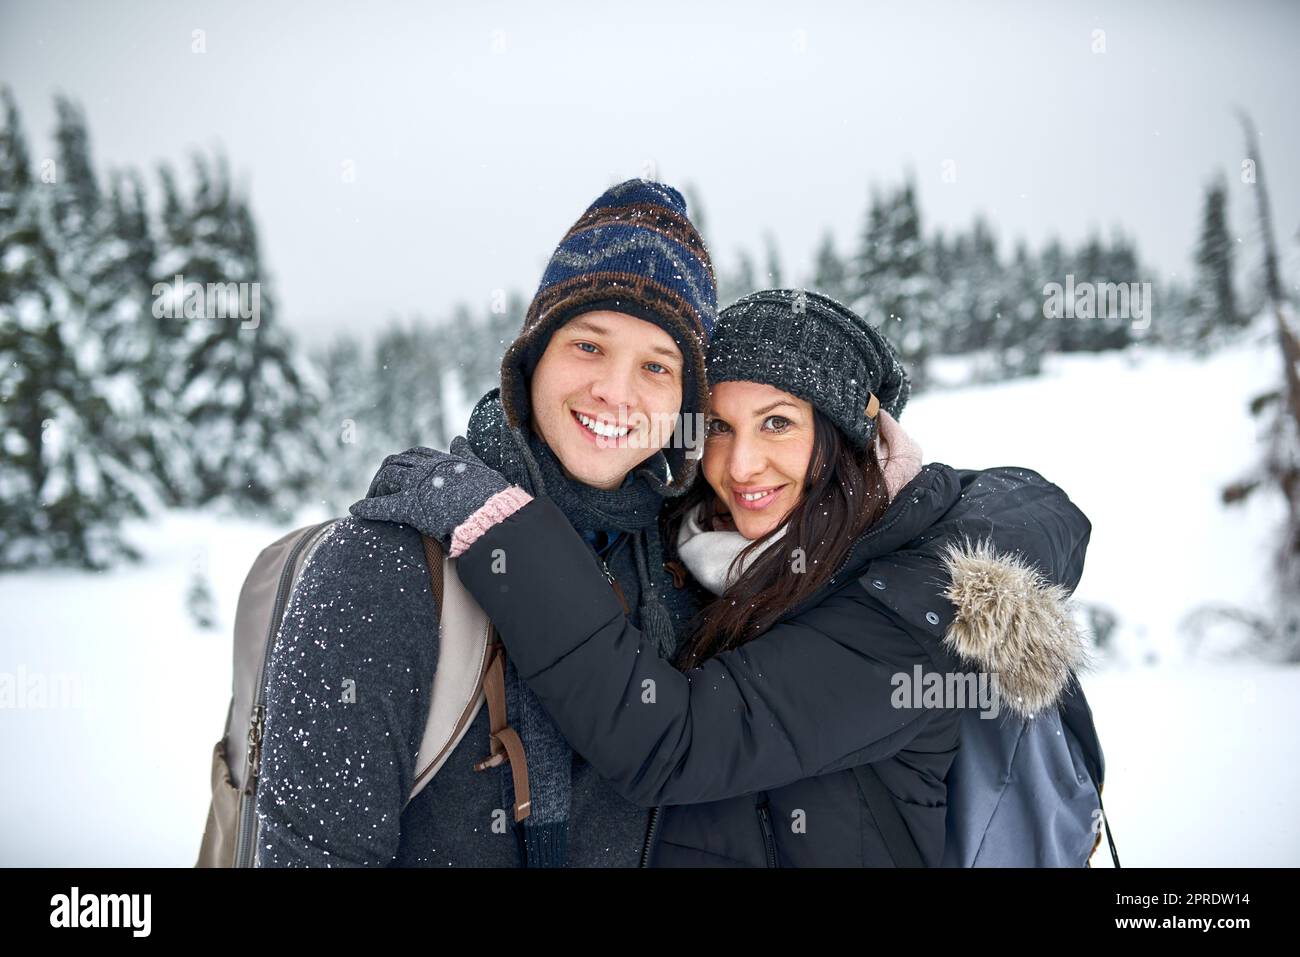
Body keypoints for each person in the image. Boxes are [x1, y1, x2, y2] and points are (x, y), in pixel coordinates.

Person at [354, 288, 1094, 866]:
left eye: (778, 423)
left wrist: (501, 528)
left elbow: (670, 741)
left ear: (845, 442)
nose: (741, 466)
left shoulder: (909, 607)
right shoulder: (711, 561)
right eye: (719, 427)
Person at [254, 178, 717, 866]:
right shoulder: (385, 568)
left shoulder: (686, 576)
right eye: (588, 345)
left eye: (656, 364)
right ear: (530, 359)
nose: (615, 392)